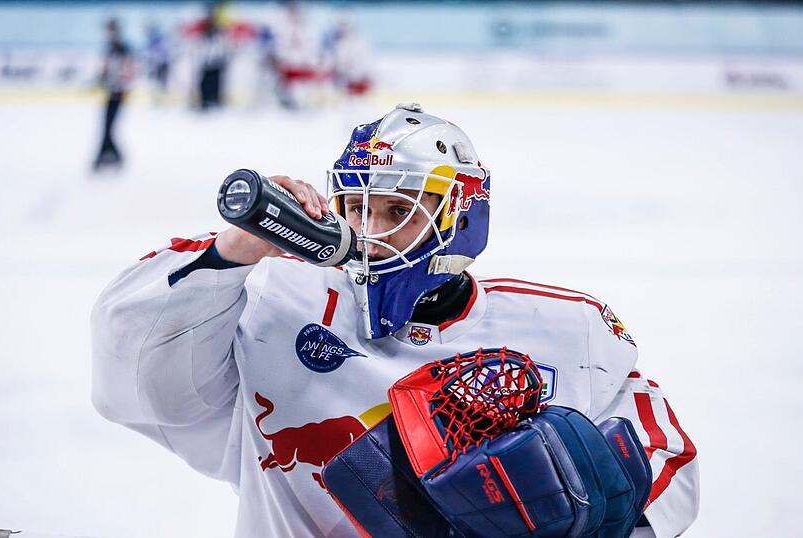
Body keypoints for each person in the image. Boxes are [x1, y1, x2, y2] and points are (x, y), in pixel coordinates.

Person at [91, 104, 699, 537]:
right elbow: (137, 377)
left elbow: (666, 461)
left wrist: (600, 516)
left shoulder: (570, 330)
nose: (370, 234)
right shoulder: (272, 300)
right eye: (355, 208)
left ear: (459, 216)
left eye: (395, 211)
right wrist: (234, 252)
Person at [93, 19, 135, 172]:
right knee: (106, 126)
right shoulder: (110, 49)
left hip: (119, 92)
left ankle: (111, 156)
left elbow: (128, 71)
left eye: (111, 30)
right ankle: (108, 155)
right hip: (110, 92)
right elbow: (106, 70)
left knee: (109, 127)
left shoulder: (123, 49)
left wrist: (124, 87)